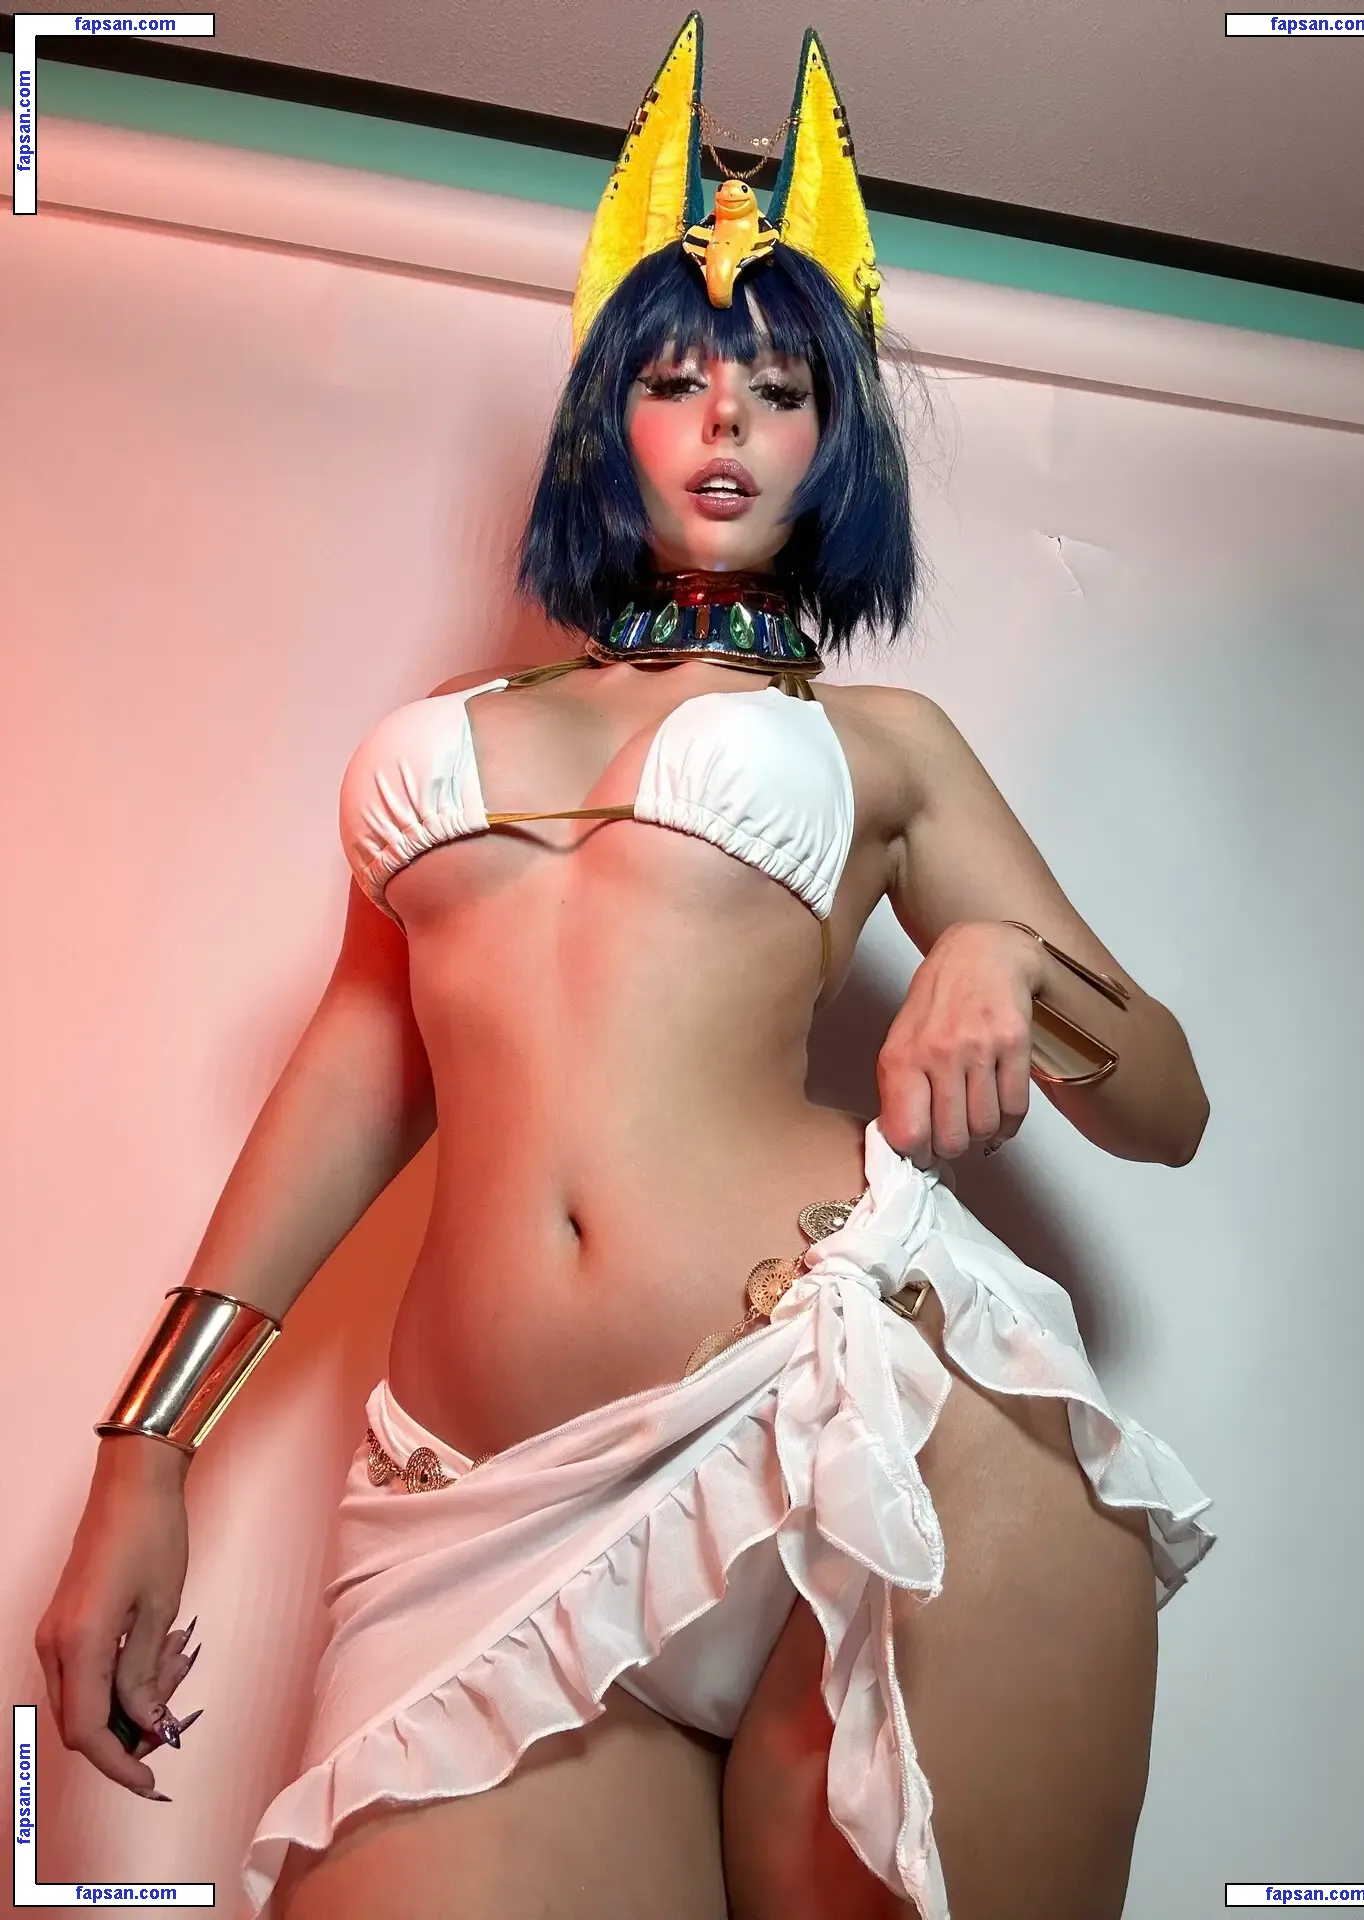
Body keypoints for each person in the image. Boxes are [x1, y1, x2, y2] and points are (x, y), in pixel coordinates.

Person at [35, 16, 1217, 1918]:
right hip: (477, 1515)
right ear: (612, 420)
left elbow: (1166, 1102)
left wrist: (1007, 955)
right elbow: (354, 1076)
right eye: (676, 381)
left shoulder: (883, 746)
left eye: (778, 388)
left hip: (854, 1416)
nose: (725, 423)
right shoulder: (446, 733)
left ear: (832, 441)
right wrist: (145, 1449)